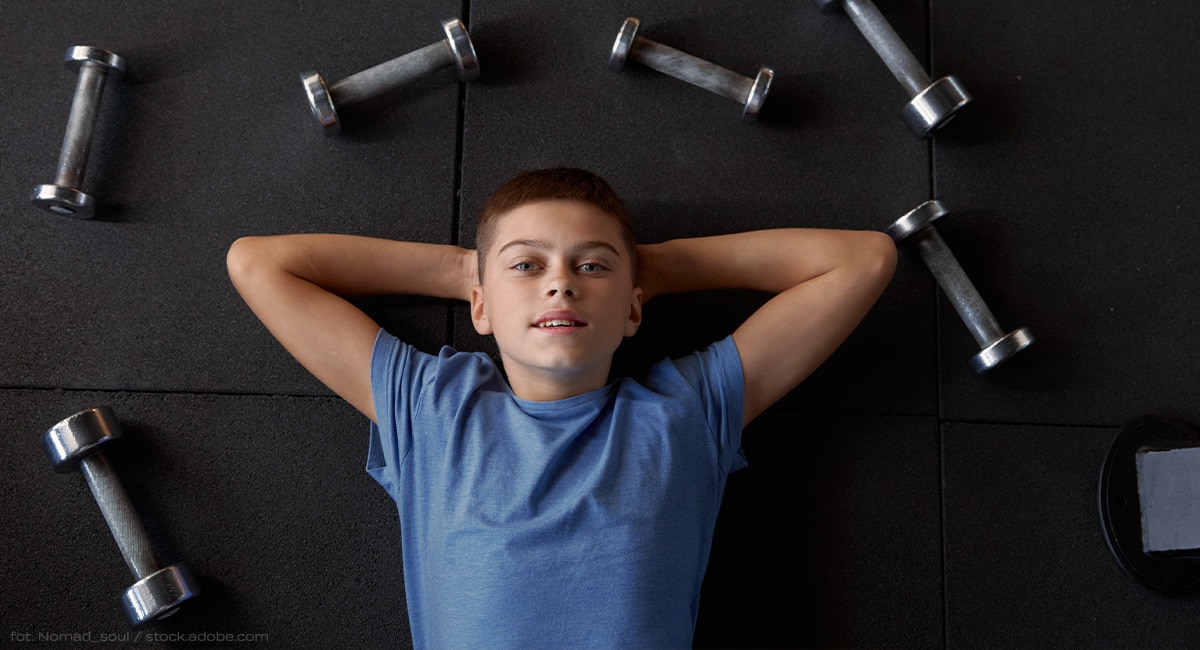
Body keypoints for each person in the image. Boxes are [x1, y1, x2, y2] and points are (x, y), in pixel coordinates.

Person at [226, 167, 896, 648]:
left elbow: (862, 260)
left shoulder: (683, 413)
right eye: (528, 268)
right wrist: (469, 271)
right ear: (480, 306)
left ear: (635, 305)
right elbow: (258, 264)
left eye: (591, 268)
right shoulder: (432, 409)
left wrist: (647, 268)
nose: (560, 286)